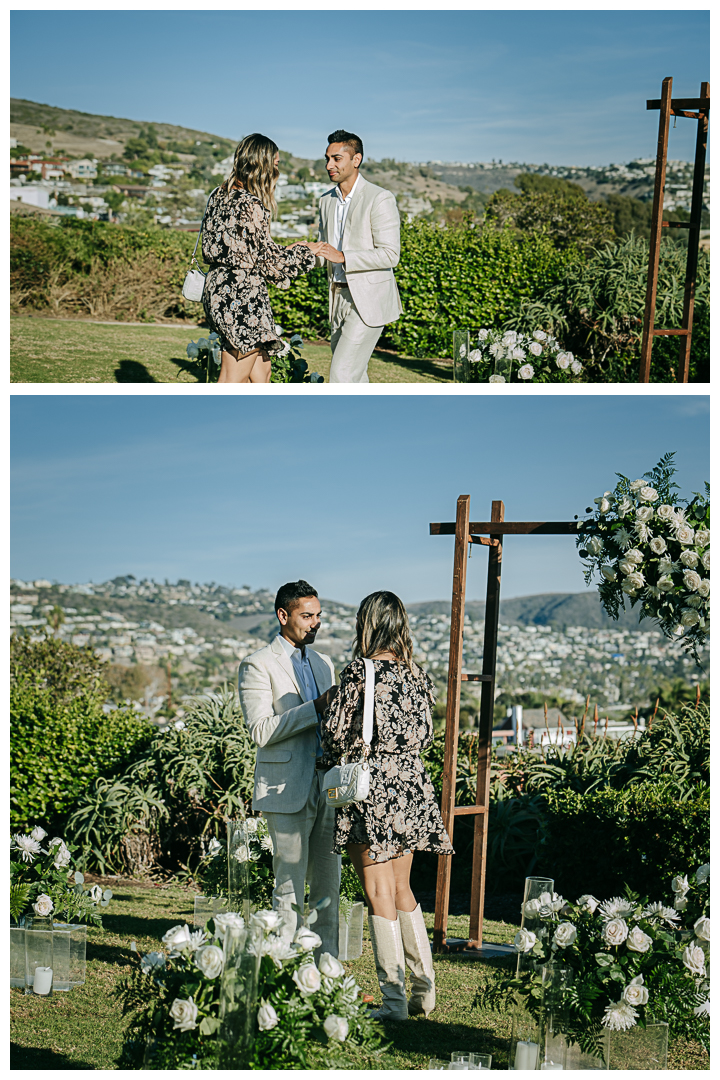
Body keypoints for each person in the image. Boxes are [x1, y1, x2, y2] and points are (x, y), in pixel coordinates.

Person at [321, 590, 453, 1020]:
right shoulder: (419, 676)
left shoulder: (360, 673)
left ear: (367, 624)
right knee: (401, 890)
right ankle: (424, 992)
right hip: (411, 787)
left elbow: (337, 736)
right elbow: (427, 735)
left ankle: (394, 1002)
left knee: (377, 893)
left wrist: (328, 709)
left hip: (372, 789)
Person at [237, 580, 341, 956]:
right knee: (289, 890)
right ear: (283, 616)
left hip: (329, 789)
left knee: (330, 890)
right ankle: (284, 970)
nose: (315, 623)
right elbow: (261, 731)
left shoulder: (323, 662)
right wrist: (315, 708)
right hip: (286, 790)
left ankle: (327, 977)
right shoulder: (257, 664)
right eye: (306, 616)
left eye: (318, 616)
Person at [201, 134, 315, 384]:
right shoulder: (251, 204)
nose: (277, 169)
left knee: (261, 374)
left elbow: (247, 249)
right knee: (233, 379)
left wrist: (287, 249)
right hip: (241, 297)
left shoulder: (219, 196)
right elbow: (265, 261)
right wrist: (308, 253)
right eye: (275, 163)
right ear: (262, 164)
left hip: (219, 289)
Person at [303, 130, 403, 384]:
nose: (329, 165)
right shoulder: (325, 202)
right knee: (356, 378)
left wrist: (343, 256)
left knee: (342, 375)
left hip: (368, 300)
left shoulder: (379, 198)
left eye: (337, 158)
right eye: (327, 159)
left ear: (356, 159)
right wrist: (305, 252)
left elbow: (390, 255)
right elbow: (326, 255)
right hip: (336, 296)